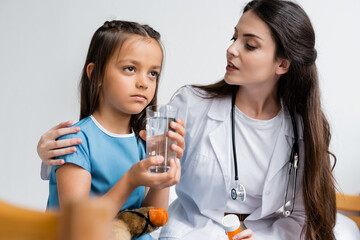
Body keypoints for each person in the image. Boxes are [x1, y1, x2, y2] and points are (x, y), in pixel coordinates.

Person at [37, 1, 358, 239]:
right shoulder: (190, 106)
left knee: (344, 230)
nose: (231, 50)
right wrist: (46, 155)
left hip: (264, 233)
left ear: (282, 64)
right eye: (234, 37)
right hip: (196, 230)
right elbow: (88, 204)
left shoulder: (302, 128)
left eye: (249, 44)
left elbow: (304, 213)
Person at [41, 20, 185, 240]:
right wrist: (130, 181)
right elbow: (79, 227)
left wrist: (163, 179)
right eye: (130, 69)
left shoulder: (143, 141)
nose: (144, 83)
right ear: (95, 74)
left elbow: (153, 219)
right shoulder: (75, 141)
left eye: (153, 73)